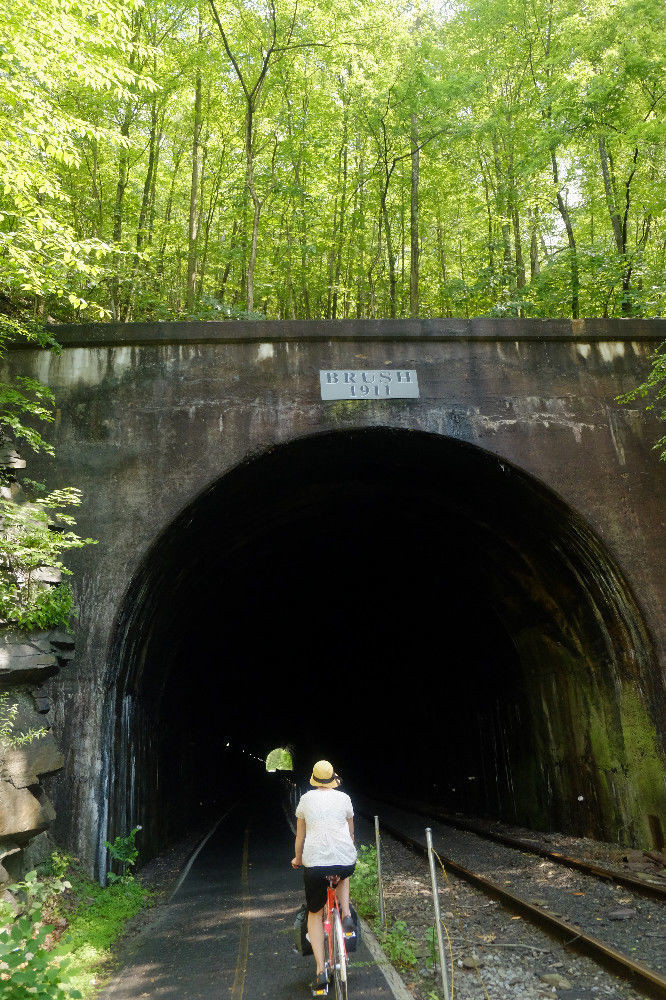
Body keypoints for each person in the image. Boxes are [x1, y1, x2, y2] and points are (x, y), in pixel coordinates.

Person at [291, 760, 357, 995]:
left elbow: (301, 837)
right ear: (332, 779)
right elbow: (350, 833)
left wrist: (298, 858)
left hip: (315, 866)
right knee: (344, 867)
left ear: (314, 778)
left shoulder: (306, 799)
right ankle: (347, 915)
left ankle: (321, 971)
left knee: (315, 913)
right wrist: (346, 849)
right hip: (344, 861)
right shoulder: (345, 798)